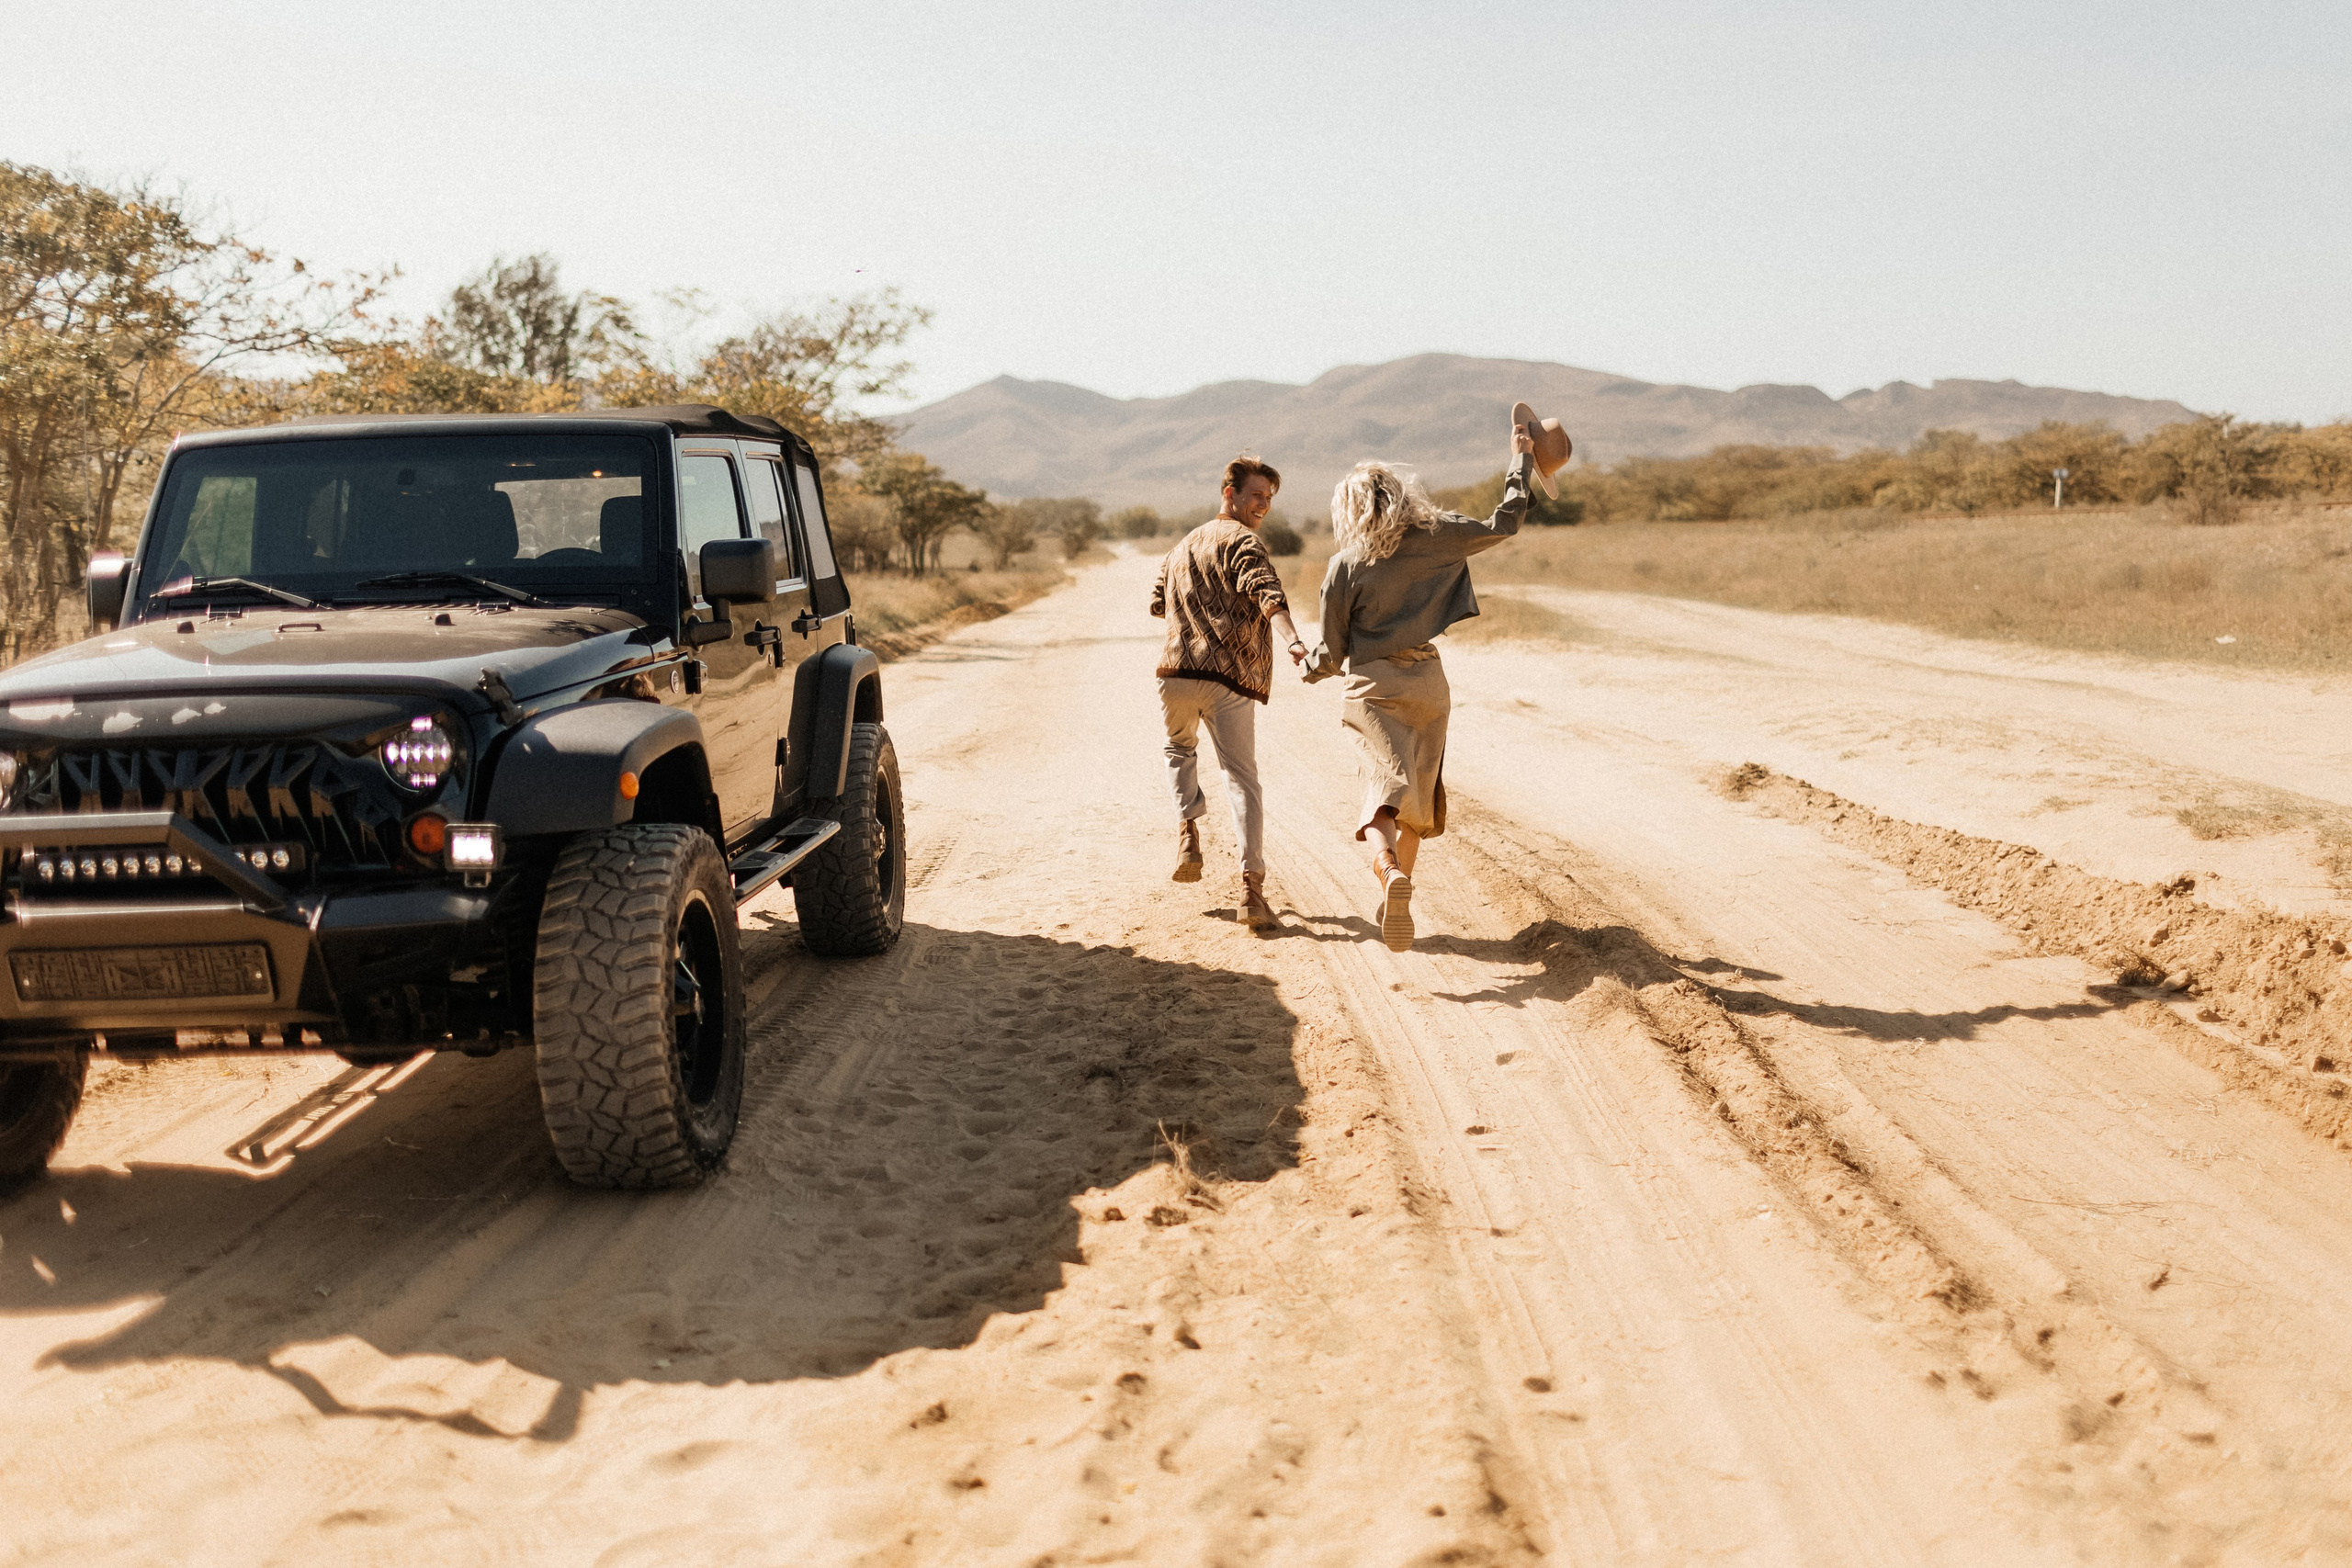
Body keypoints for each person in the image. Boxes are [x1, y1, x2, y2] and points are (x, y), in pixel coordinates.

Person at [1303, 404, 1571, 952]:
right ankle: (1394, 896)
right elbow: (1507, 520)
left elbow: (1329, 655)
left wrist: (1308, 666)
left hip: (1374, 687)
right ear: (1399, 495)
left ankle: (1387, 872)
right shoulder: (1439, 535)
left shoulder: (1345, 565)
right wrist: (1520, 460)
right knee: (1417, 803)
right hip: (1429, 682)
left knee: (1380, 793)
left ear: (1349, 508)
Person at [1150, 453, 1309, 931]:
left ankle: (1188, 831)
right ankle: (1251, 889)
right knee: (1241, 778)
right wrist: (1294, 642)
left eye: (1268, 498)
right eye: (1256, 495)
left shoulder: (1181, 546)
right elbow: (1268, 595)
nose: (1263, 505)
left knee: (1178, 748)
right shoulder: (1244, 542)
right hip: (1227, 678)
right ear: (1230, 494)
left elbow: (1159, 603)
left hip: (1174, 672)